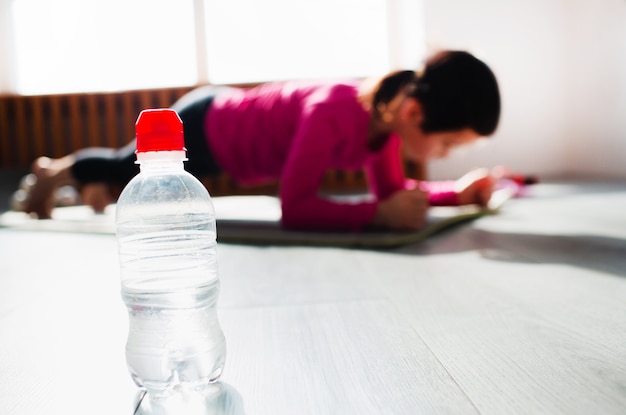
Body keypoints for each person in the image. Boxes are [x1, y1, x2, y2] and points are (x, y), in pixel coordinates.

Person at [18, 50, 501, 231]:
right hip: (211, 122)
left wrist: (455, 193)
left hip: (229, 141)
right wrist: (375, 214)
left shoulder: (385, 133)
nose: (442, 156)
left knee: (121, 175)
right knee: (127, 166)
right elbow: (295, 207)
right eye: (448, 146)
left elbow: (394, 194)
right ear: (415, 113)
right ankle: (55, 171)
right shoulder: (332, 111)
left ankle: (92, 187)